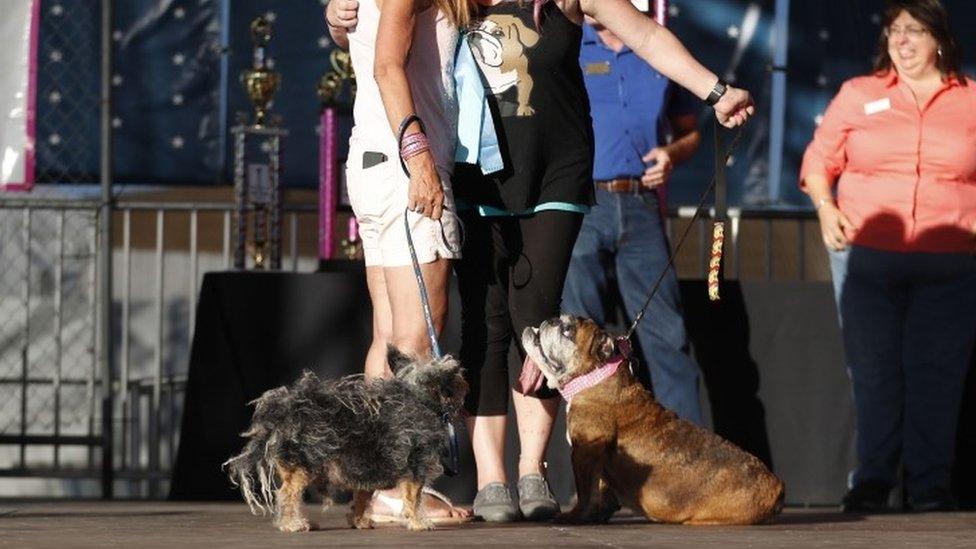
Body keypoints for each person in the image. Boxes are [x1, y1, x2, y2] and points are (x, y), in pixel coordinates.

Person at [452, 0, 753, 522]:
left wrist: (716, 91)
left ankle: (531, 469)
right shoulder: (457, 1)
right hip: (478, 169)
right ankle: (489, 479)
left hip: (557, 170)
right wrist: (341, 20)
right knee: (486, 322)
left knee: (539, 316)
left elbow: (646, 36)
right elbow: (389, 33)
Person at [800, 0, 976, 513]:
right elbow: (819, 157)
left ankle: (929, 486)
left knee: (938, 374)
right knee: (873, 372)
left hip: (950, 261)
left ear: (939, 40)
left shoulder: (971, 101)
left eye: (915, 32)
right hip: (867, 261)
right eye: (895, 31)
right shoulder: (860, 94)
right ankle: (873, 480)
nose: (902, 41)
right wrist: (825, 208)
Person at [324, 0, 474, 524]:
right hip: (403, 168)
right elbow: (387, 63)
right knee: (414, 341)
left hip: (373, 161)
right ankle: (395, 491)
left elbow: (357, 40)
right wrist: (420, 160)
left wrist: (335, 22)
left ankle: (375, 486)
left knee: (387, 339)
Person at [561, 12, 705, 427]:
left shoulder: (658, 46)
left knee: (667, 339)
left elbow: (689, 130)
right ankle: (592, 479)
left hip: (641, 207)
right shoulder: (568, 43)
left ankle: (689, 473)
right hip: (584, 204)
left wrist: (671, 155)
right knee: (579, 346)